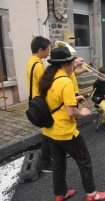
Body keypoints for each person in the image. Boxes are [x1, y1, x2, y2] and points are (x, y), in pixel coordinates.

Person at [39, 47, 105, 201]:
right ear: (66, 64)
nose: (72, 65)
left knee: (58, 164)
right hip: (66, 132)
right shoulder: (65, 81)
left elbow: (54, 101)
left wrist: (74, 100)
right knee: (84, 161)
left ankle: (60, 194)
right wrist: (82, 113)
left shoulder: (47, 79)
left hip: (50, 131)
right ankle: (91, 194)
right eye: (71, 62)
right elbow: (71, 112)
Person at [26, 36, 53, 173]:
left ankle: (48, 158)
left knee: (47, 131)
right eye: (47, 49)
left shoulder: (31, 61)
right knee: (47, 131)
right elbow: (45, 84)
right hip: (41, 101)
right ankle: (46, 162)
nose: (49, 52)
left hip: (34, 99)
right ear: (40, 49)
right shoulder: (38, 65)